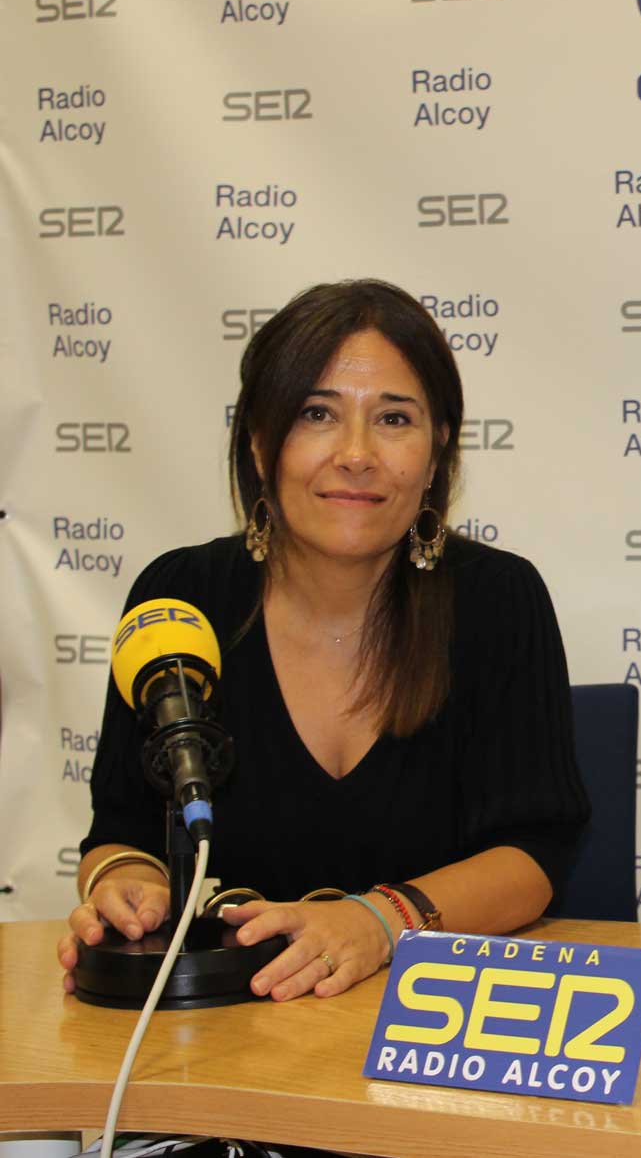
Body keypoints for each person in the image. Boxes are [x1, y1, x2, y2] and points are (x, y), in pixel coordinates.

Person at [57, 279, 590, 1001]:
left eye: (394, 418)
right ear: (258, 441)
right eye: (317, 414)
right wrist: (128, 884)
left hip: (431, 1034)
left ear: (436, 453)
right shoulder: (180, 597)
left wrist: (379, 922)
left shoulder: (499, 600)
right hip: (228, 1036)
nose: (356, 453)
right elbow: (120, 829)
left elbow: (534, 853)